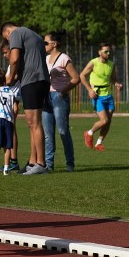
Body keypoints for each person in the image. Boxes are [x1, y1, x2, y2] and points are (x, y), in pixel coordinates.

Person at [1, 22, 50, 175]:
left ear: (7, 32)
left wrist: (9, 77)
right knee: (31, 123)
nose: (9, 42)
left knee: (34, 123)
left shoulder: (16, 34)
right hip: (41, 80)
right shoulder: (34, 34)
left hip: (32, 81)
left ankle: (41, 164)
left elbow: (14, 59)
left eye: (7, 39)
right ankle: (33, 161)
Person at [43, 31, 81, 170]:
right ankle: (49, 164)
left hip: (59, 97)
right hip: (46, 97)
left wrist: (63, 91)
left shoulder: (64, 58)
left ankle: (70, 163)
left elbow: (76, 78)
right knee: (48, 133)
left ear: (54, 44)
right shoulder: (45, 59)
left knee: (63, 131)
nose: (44, 45)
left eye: (46, 42)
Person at [80, 43, 123, 152]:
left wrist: (117, 84)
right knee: (104, 120)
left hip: (108, 95)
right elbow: (82, 76)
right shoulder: (93, 63)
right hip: (97, 95)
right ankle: (89, 133)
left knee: (108, 121)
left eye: (109, 51)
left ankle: (99, 143)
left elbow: (113, 79)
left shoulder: (111, 64)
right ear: (99, 52)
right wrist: (89, 90)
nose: (108, 53)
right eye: (106, 51)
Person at [0, 40, 21, 173]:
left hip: (12, 101)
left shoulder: (16, 65)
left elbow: (11, 79)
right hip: (7, 101)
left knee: (10, 130)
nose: (4, 55)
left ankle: (13, 161)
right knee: (6, 130)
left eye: (6, 52)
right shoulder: (10, 66)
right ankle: (11, 160)